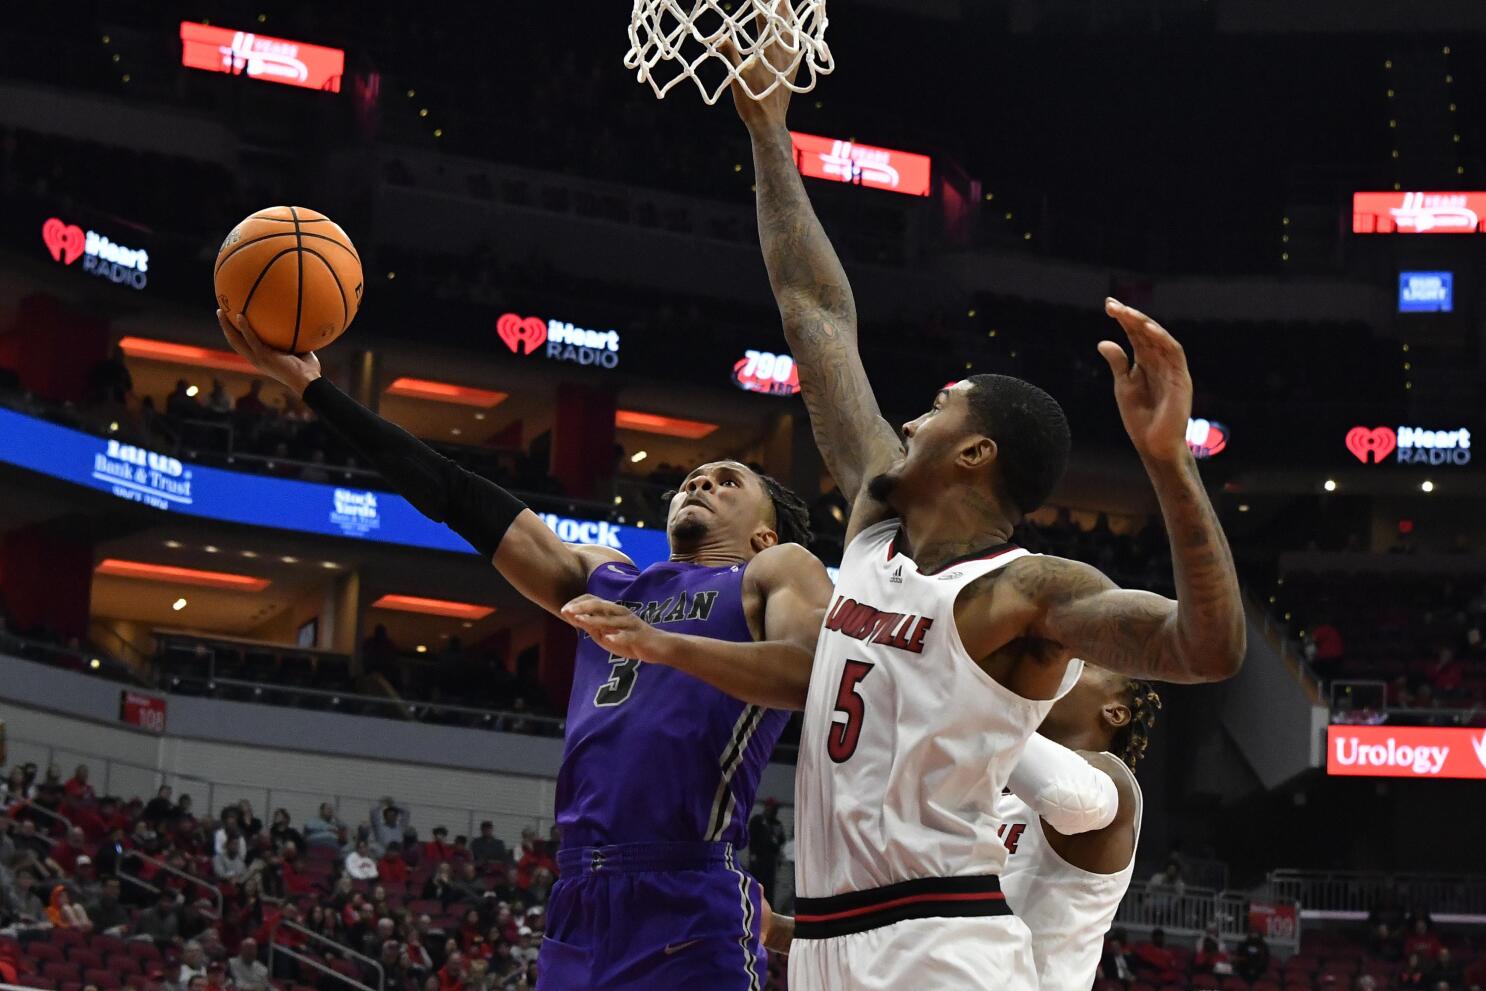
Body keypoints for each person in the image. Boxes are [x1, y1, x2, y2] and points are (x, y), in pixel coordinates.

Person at [722, 31, 1245, 991]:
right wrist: (768, 132)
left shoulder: (1024, 593)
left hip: (941, 947)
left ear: (975, 452)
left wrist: (1170, 462)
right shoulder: (875, 529)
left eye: (937, 409)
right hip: (833, 941)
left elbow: (1206, 648)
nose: (908, 418)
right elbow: (817, 315)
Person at [219, 307, 833, 991]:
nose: (700, 483)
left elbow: (813, 674)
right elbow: (457, 495)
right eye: (693, 477)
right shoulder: (610, 578)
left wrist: (664, 645)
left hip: (686, 893)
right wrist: (315, 391)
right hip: (577, 899)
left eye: (728, 481)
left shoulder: (774, 572)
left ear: (764, 535)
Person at [748, 798, 785, 903]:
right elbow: (751, 838)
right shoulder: (758, 820)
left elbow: (781, 840)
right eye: (773, 809)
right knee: (756, 887)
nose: (775, 812)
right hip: (758, 861)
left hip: (771, 862)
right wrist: (753, 855)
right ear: (767, 808)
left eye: (776, 809)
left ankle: (768, 910)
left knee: (769, 889)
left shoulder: (777, 824)